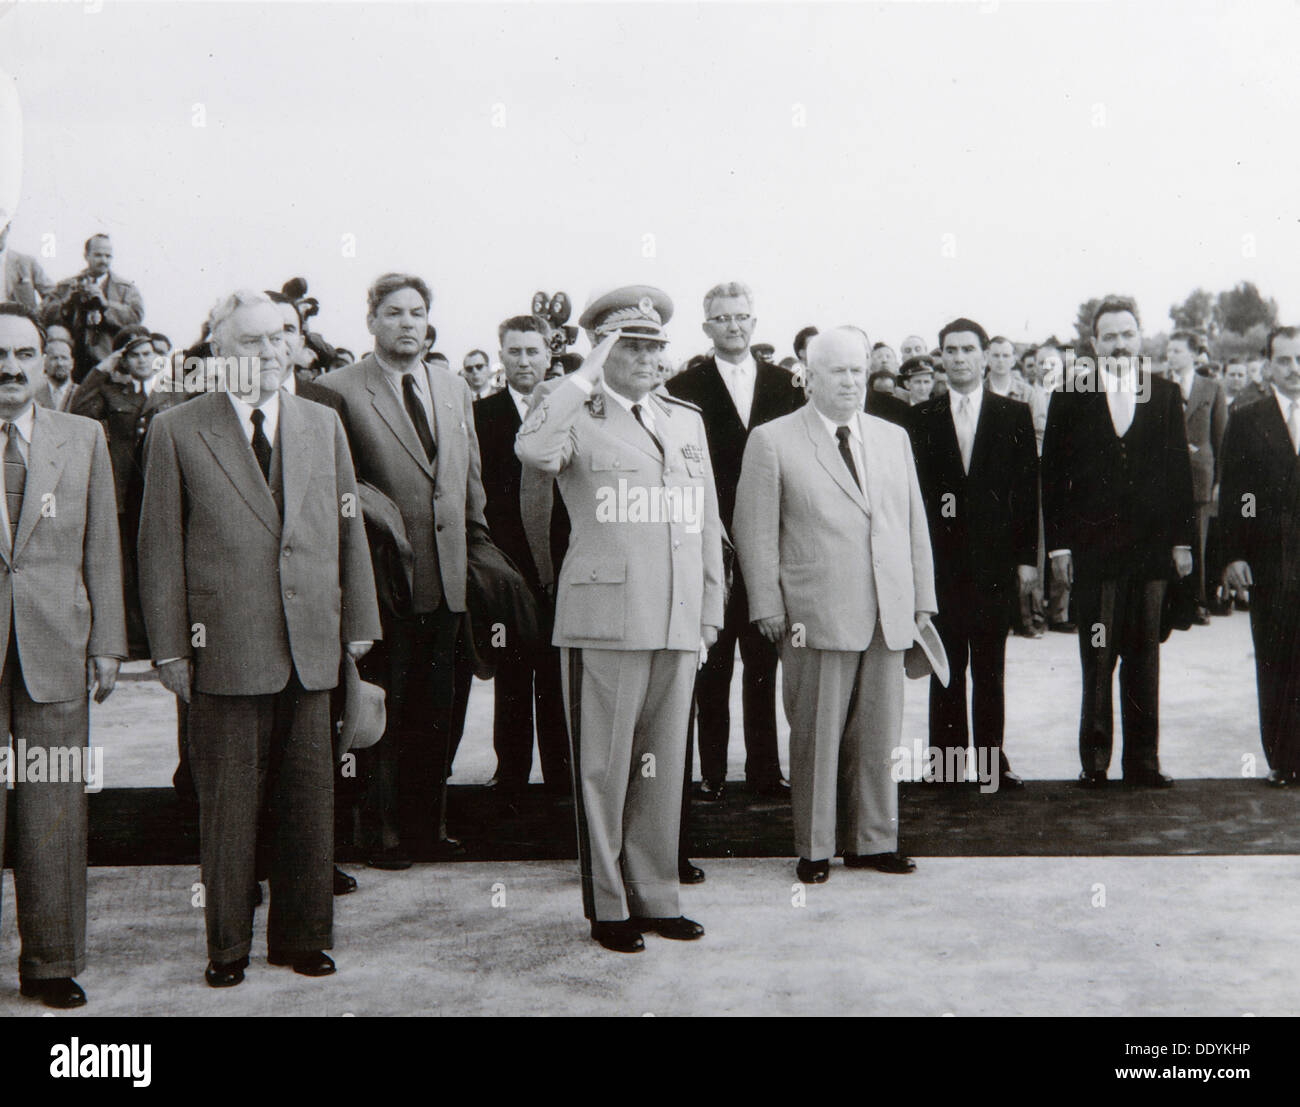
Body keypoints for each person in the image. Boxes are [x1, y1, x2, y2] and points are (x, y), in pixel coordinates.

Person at [138, 290, 380, 987]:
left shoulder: (320, 424)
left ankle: (304, 936)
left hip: (311, 643)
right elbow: (159, 548)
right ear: (218, 351)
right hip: (226, 646)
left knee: (310, 798)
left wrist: (359, 621)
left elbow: (346, 528)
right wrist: (170, 648)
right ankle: (227, 946)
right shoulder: (179, 429)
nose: (271, 351)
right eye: (252, 340)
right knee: (229, 805)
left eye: (282, 336)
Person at [516, 285, 722, 953]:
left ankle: (656, 893)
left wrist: (711, 609)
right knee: (603, 767)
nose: (647, 356)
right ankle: (608, 904)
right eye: (629, 345)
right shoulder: (572, 410)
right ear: (600, 349)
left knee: (662, 765)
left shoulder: (684, 418)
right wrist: (578, 378)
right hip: (606, 616)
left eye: (655, 345)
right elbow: (534, 452)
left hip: (677, 618)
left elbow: (705, 521)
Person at [733, 327, 936, 883]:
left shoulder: (892, 437)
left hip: (887, 610)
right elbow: (754, 532)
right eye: (839, 372)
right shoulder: (773, 440)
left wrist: (922, 598)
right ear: (810, 378)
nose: (852, 382)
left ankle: (873, 841)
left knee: (878, 734)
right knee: (817, 737)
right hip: (813, 613)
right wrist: (766, 605)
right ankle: (816, 846)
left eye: (858, 371)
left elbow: (913, 521)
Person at [316, 273, 490, 867]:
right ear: (371, 321)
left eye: (418, 313)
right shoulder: (335, 390)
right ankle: (379, 832)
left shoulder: (452, 387)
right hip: (383, 584)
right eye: (394, 313)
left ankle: (427, 826)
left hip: (448, 581)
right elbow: (334, 493)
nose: (408, 323)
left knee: (439, 713)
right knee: (381, 713)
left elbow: (468, 483)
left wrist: (477, 553)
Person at [0, 302, 125, 1008]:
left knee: (53, 811)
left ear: (46, 360)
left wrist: (108, 642)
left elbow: (101, 545)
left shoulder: (83, 437)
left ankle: (51, 960)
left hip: (56, 649)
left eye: (22, 354)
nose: (9, 369)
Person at [1041, 296, 1195, 789]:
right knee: (1098, 653)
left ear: (1140, 337)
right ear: (1094, 343)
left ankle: (1143, 762)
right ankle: (1095, 762)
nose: (1120, 344)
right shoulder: (1070, 396)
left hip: (1150, 553)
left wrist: (1182, 543)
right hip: (1094, 553)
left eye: (1128, 334)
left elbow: (1179, 475)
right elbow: (1053, 479)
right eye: (1109, 336)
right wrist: (1059, 548)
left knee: (1145, 655)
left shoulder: (1165, 393)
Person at [666, 281, 801, 799]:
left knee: (764, 665)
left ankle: (766, 770)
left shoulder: (786, 383)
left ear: (754, 321)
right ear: (707, 327)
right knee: (713, 667)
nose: (734, 325)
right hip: (712, 544)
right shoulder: (685, 385)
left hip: (769, 545)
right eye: (723, 318)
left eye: (742, 316)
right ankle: (713, 773)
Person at [909, 319, 1038, 788]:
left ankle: (990, 765)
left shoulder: (1013, 415)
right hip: (940, 568)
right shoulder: (921, 418)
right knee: (946, 669)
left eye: (968, 349)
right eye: (950, 350)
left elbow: (1026, 493)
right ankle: (945, 768)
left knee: (989, 670)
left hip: (994, 567)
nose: (959, 357)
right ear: (940, 358)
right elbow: (914, 498)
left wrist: (1026, 559)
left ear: (986, 355)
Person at [474, 314, 569, 792]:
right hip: (506, 566)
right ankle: (509, 774)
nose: (525, 360)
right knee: (512, 675)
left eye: (533, 351)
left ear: (549, 354)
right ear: (502, 355)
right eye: (515, 351)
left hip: (564, 563)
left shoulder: (571, 410)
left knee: (557, 677)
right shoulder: (481, 416)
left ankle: (561, 776)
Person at [1220, 326, 1300, 785]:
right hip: (1269, 561)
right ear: (1267, 365)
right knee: (1274, 660)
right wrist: (1233, 554)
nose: (1294, 370)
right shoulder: (1248, 419)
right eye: (1285, 360)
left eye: (1299, 360)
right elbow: (1236, 495)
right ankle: (1284, 759)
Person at [70, 327, 160, 659]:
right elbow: (78, 413)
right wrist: (99, 372)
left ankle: (157, 639)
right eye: (134, 355)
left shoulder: (170, 392)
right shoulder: (111, 392)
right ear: (124, 359)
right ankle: (134, 641)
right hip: (123, 495)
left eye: (147, 354)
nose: (142, 360)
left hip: (157, 493)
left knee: (157, 566)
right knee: (125, 568)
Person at [1166, 331, 1227, 624]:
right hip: (1164, 474)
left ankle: (1198, 602)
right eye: (1168, 350)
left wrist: (1218, 480)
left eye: (1177, 350)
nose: (1171, 356)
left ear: (1192, 354)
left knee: (1198, 540)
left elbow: (1220, 436)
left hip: (1199, 473)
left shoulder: (1212, 387)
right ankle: (1170, 603)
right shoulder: (1157, 385)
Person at [40, 235, 144, 382]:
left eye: (108, 256)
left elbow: (136, 318)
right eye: (98, 255)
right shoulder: (66, 286)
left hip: (109, 361)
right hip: (73, 362)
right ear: (86, 256)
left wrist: (106, 303)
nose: (103, 260)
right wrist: (67, 301)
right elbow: (44, 315)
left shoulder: (125, 289)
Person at [0, 220, 54, 311]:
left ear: (7, 227)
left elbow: (53, 295)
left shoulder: (27, 263)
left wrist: (37, 314)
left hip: (20, 322)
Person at [33, 335, 76, 411]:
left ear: (72, 363)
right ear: (44, 362)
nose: (60, 363)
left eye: (64, 358)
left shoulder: (80, 393)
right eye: (54, 358)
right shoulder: (34, 395)